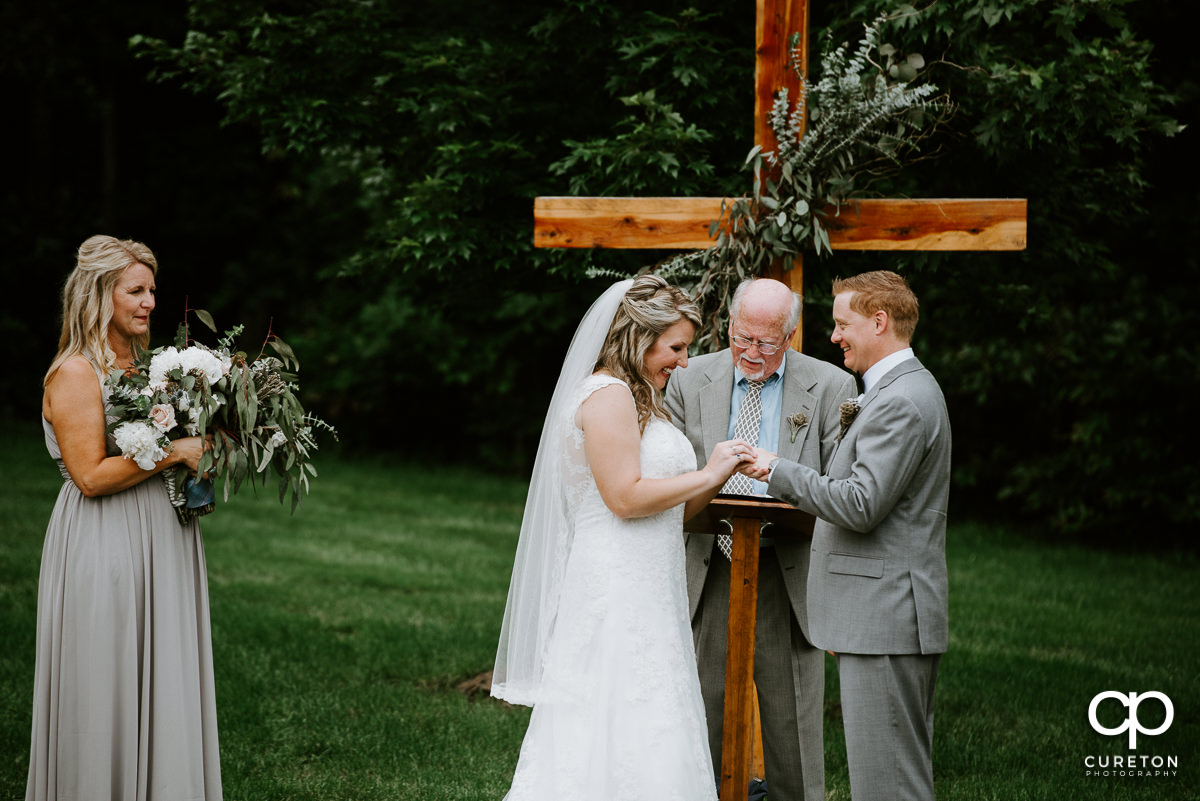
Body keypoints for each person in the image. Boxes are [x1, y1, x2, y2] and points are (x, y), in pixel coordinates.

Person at [491, 275, 755, 800]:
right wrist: (707, 473)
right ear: (639, 337)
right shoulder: (607, 395)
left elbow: (670, 512)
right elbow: (625, 497)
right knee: (610, 711)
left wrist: (718, 476)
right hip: (614, 585)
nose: (683, 361)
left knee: (654, 710)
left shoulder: (643, 400)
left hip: (652, 584)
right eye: (676, 347)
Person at [739, 270, 950, 801]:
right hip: (881, 614)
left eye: (841, 323)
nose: (833, 336)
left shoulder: (901, 400)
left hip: (885, 615)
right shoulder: (898, 391)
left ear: (880, 321)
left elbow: (860, 504)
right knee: (890, 775)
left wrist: (777, 470)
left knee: (889, 784)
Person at [28, 235, 222, 800]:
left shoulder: (148, 367)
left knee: (165, 674)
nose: (149, 303)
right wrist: (174, 453)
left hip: (164, 535)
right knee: (105, 678)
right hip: (103, 539)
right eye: (135, 291)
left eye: (152, 291)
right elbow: (89, 476)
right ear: (98, 296)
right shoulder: (74, 374)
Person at [663, 277, 857, 801]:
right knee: (697, 716)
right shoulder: (689, 378)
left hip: (785, 567)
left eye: (766, 343)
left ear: (790, 336)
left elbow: (838, 488)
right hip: (707, 567)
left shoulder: (832, 387)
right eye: (742, 338)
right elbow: (672, 473)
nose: (751, 353)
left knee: (792, 723)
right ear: (729, 326)